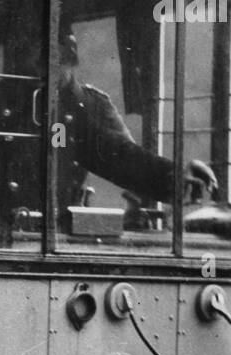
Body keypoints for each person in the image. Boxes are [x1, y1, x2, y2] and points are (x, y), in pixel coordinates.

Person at [56, 29, 217, 216]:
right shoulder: (27, 102)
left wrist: (175, 176)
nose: (41, 67)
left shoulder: (89, 107)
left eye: (56, 57)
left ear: (71, 55)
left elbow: (122, 157)